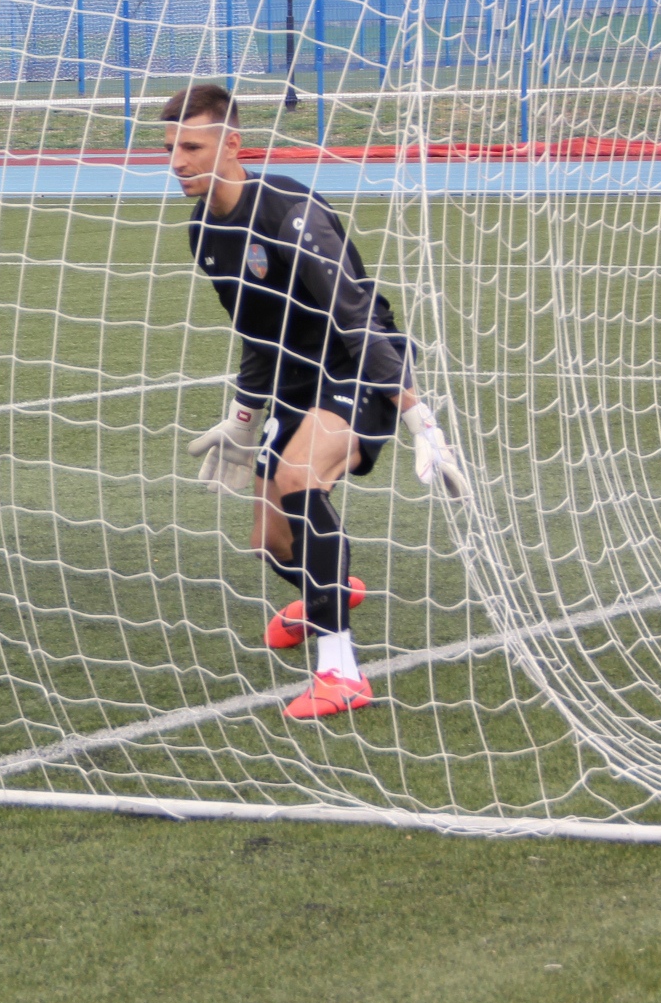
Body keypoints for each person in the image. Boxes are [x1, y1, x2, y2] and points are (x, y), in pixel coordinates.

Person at [165, 83, 469, 721]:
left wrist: (421, 422)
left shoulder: (286, 211)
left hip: (359, 366)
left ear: (232, 144)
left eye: (191, 146)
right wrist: (243, 423)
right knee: (270, 540)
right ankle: (328, 589)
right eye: (170, 147)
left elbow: (357, 318)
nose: (177, 161)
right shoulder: (204, 234)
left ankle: (341, 672)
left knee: (302, 480)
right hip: (298, 383)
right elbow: (257, 335)